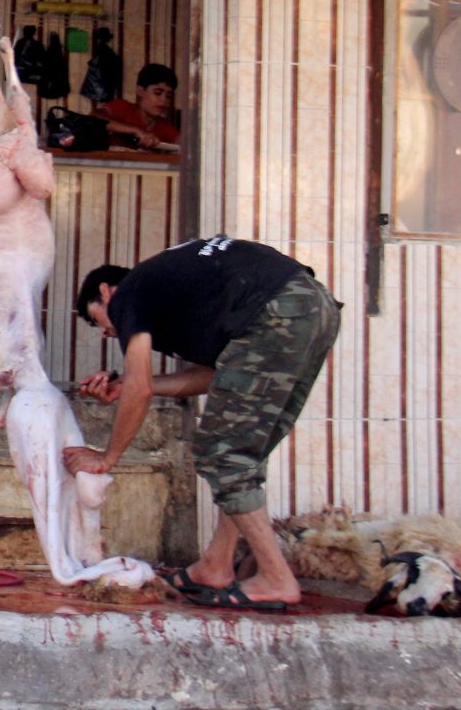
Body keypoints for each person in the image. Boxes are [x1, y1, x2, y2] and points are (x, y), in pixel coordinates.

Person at [66, 235, 341, 610]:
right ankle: (216, 565)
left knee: (221, 453)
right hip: (314, 306)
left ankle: (276, 578)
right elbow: (217, 376)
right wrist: (127, 385)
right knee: (243, 453)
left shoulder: (129, 293)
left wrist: (106, 457)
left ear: (106, 290)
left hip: (276, 307)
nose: (104, 332)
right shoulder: (177, 290)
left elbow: (141, 388)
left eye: (94, 317)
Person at [93, 63, 180, 149]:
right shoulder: (123, 107)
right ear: (140, 91)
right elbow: (95, 117)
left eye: (168, 96)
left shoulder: (165, 126)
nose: (164, 100)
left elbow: (182, 144)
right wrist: (136, 131)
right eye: (157, 93)